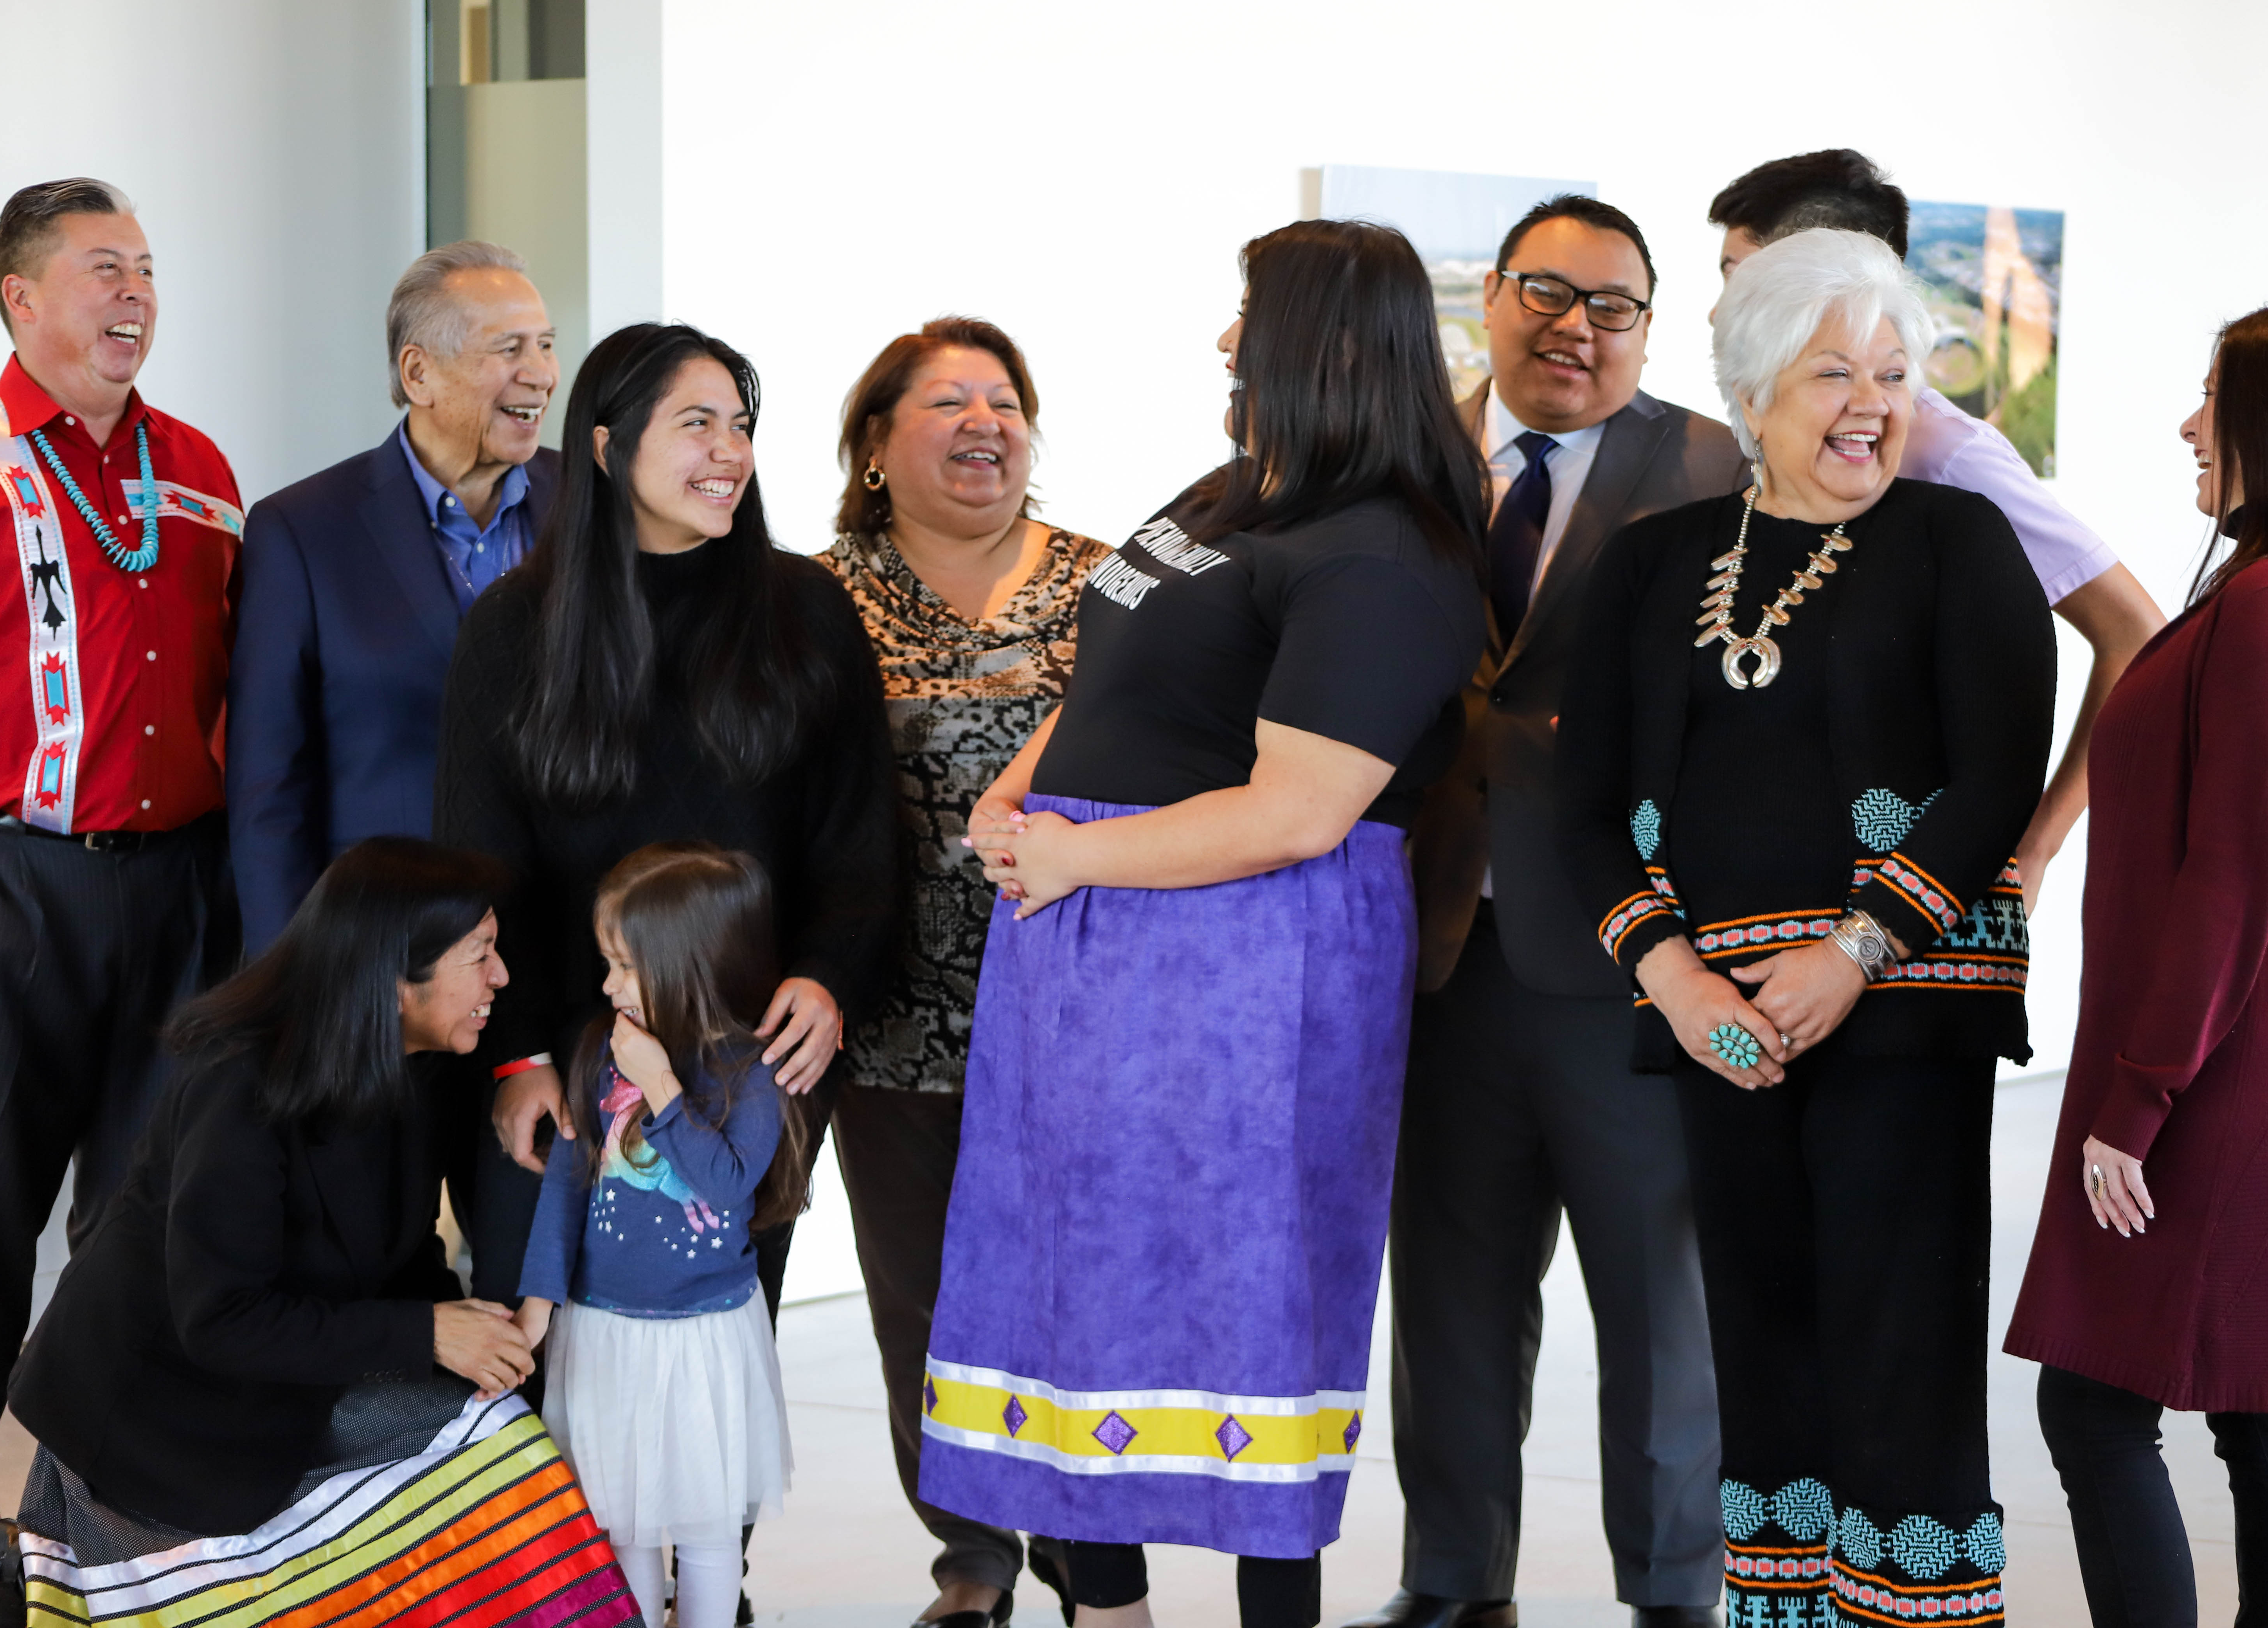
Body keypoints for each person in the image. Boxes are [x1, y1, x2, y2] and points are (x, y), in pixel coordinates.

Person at [922, 218, 1488, 1628]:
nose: (1227, 340)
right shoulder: (1234, 491)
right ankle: (1104, 1612)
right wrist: (1019, 795)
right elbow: (1114, 681)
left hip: (1240, 973)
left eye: (1250, 314)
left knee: (1245, 1310)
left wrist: (1081, 860)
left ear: (1331, 344)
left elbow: (1301, 809)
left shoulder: (1386, 554)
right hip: (1097, 941)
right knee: (1068, 1286)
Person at [1555, 230, 2054, 1628]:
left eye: (1894, 372)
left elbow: (1999, 770)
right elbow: (1585, 803)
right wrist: (1676, 978)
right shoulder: (1657, 567)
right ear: (1751, 389)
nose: (1871, 402)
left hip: (1903, 1020)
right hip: (1722, 1034)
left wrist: (1854, 953)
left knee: (1903, 1365)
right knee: (1762, 1358)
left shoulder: (1959, 539)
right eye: (1833, 370)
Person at [1365, 195, 1745, 1628]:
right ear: (1491, 298)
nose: (1575, 326)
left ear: (1651, 324)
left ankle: (1673, 1592)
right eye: (1546, 290)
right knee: (1452, 1300)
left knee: (1660, 1309)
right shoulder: (1403, 459)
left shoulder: (1715, 464)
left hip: (1636, 961)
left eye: (1614, 305)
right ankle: (1452, 1583)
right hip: (1438, 954)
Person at [0, 839, 635, 1628]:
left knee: (502, 1444)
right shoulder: (240, 1086)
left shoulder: (417, 1062)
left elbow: (399, 1255)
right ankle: (19, 1571)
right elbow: (222, 1321)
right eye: (480, 955)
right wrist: (427, 1332)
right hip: (161, 1420)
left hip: (294, 1374)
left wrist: (469, 1337)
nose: (501, 977)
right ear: (394, 974)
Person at [2004, 300, 2268, 1628]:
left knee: (2107, 1402)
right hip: (2264, 1055)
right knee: (2255, 1403)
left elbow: (2233, 877)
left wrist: (2138, 1099)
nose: (2189, 424)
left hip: (2226, 1072)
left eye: (2214, 399)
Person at [433, 320, 899, 1309]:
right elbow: (478, 865)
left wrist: (827, 979)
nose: (730, 451)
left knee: (713, 1371)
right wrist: (515, 1056)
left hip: (741, 1083)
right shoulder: (516, 628)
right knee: (550, 1378)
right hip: (562, 1070)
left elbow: (858, 838)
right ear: (607, 445)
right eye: (698, 424)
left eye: (741, 425)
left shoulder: (805, 610)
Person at [0, 178, 244, 1537]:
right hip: (5, 892)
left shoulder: (197, 468)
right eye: (100, 270)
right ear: (21, 298)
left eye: (144, 268)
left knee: (149, 1225)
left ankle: (118, 1538)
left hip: (181, 889)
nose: (134, 294)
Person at [819, 318, 1109, 1628]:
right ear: (878, 443)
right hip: (891, 1007)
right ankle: (973, 1557)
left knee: (1076, 1283)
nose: (986, 422)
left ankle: (1087, 1536)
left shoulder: (1113, 585)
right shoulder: (819, 596)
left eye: (1006, 400)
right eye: (948, 402)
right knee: (920, 1293)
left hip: (1082, 1005)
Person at [1706, 149, 2167, 910]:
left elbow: (2137, 634)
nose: (1719, 311)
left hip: (1911, 896)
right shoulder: (1770, 444)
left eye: (1739, 278)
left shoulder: (1944, 453)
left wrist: (2035, 847)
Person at [228, 240, 563, 951]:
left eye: (545, 346)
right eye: (509, 349)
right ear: (419, 373)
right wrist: (285, 985)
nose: (541, 375)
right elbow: (269, 792)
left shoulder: (591, 505)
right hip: (385, 960)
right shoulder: (302, 531)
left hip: (562, 947)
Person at [518, 844, 809, 1628]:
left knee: (709, 1530)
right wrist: (540, 1297)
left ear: (689, 966)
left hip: (705, 1337)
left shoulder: (748, 1071)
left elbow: (725, 1183)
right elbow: (566, 1182)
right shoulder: (596, 1051)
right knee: (622, 1523)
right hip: (605, 1328)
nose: (608, 985)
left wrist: (658, 1083)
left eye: (623, 965)